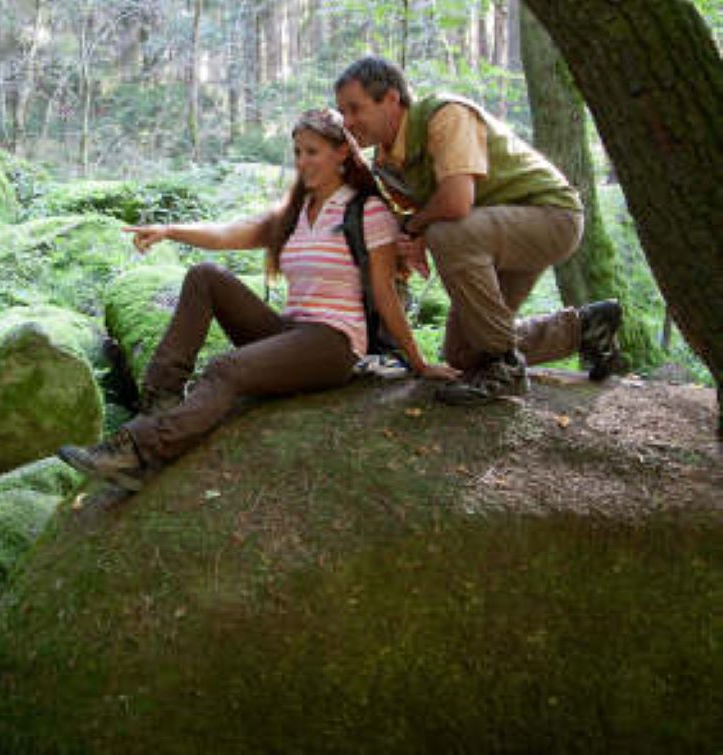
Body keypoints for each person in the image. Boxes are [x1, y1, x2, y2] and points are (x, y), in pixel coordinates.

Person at [58, 108, 457, 492]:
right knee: (204, 277)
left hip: (333, 343)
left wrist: (418, 363)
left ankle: (141, 450)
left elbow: (385, 293)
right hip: (289, 333)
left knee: (226, 369)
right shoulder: (296, 212)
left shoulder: (367, 211)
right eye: (298, 152)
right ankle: (160, 402)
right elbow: (229, 233)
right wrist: (168, 230)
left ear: (341, 153)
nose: (302, 161)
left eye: (312, 151)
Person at [333, 56, 624, 405]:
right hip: (495, 234)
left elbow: (455, 202)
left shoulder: (445, 115)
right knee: (464, 353)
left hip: (550, 217)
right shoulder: (387, 161)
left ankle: (506, 366)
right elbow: (422, 213)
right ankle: (587, 328)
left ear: (391, 99)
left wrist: (417, 228)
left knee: (448, 234)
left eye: (355, 109)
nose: (347, 122)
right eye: (342, 112)